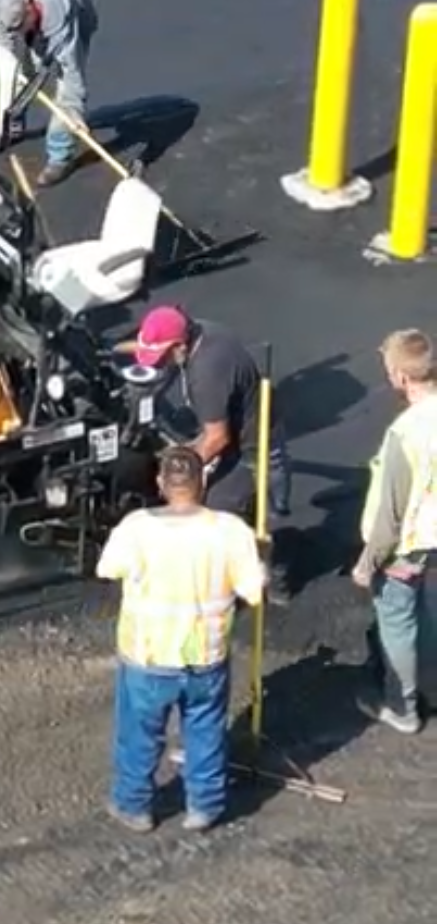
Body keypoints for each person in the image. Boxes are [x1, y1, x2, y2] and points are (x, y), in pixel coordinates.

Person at [97, 443, 266, 834]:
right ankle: (204, 807)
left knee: (139, 734)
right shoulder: (231, 531)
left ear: (161, 482)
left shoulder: (137, 527)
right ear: (203, 481)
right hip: (205, 654)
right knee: (205, 730)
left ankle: (134, 805)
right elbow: (255, 591)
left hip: (148, 655)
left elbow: (108, 568)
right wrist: (261, 556)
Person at [130, 305, 293, 601]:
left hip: (254, 451)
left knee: (239, 517)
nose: (161, 364)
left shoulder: (207, 374)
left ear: (179, 346)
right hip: (243, 432)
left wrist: (178, 477)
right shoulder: (202, 331)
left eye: (163, 357)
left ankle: (270, 585)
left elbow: (217, 438)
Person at [351, 327, 437, 736]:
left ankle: (402, 706)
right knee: (430, 616)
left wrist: (368, 563)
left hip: (408, 547)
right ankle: (431, 685)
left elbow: (391, 515)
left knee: (399, 624)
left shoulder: (406, 434)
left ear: (402, 377)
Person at [0, 0, 98, 188]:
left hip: (77, 15)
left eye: (22, 26)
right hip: (40, 23)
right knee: (25, 76)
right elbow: (5, 52)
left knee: (64, 89)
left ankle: (61, 155)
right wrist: (10, 77)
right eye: (14, 29)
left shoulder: (60, 18)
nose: (18, 32)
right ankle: (12, 125)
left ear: (31, 5)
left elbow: (71, 74)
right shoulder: (2, 8)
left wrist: (74, 112)